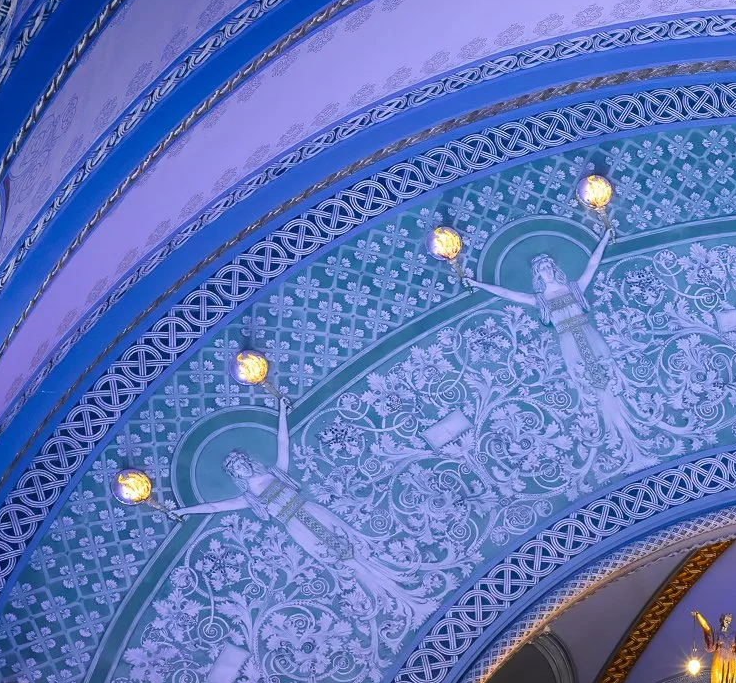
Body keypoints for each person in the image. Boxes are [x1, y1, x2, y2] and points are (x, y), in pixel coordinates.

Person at [175, 392, 438, 625]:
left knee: (353, 545)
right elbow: (214, 506)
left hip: (312, 511)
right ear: (236, 475)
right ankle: (379, 593)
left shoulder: (277, 474)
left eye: (241, 462)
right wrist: (184, 512)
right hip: (296, 527)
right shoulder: (249, 498)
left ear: (247, 461)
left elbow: (283, 442)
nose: (241, 467)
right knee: (338, 560)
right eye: (235, 469)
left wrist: (281, 411)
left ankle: (394, 576)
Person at [462, 228, 659, 473]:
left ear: (554, 269)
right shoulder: (540, 300)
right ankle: (614, 437)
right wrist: (475, 283)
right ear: (537, 274)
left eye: (548, 266)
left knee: (609, 376)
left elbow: (592, 264)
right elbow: (507, 293)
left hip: (589, 334)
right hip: (569, 342)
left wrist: (606, 235)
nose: (546, 270)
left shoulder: (575, 288)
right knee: (587, 385)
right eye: (542, 269)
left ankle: (633, 429)